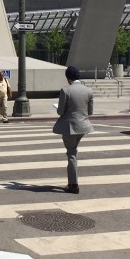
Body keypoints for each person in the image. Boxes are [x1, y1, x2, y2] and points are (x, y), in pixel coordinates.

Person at [53, 66, 94, 194]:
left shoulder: (66, 90)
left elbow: (60, 111)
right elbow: (90, 112)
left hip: (70, 127)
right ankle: (72, 182)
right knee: (73, 152)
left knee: (71, 154)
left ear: (68, 77)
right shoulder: (88, 90)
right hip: (84, 126)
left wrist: (58, 107)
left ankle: (73, 185)